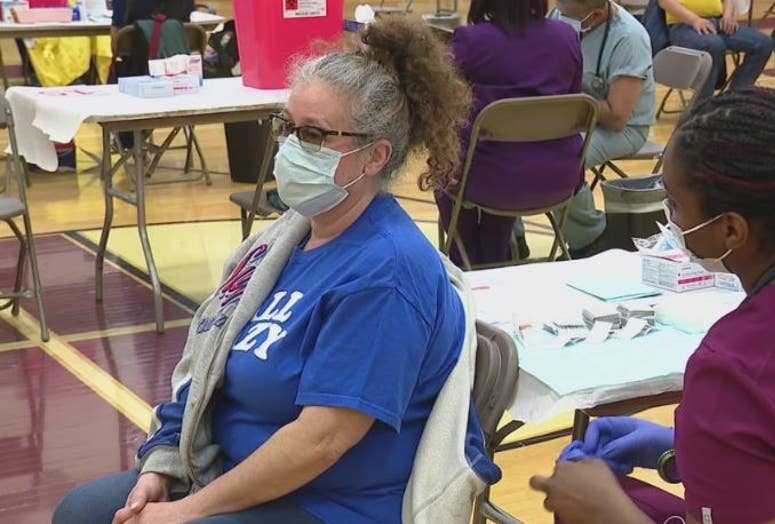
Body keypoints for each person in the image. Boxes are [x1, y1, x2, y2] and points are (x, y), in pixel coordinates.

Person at [52, 18, 497, 524]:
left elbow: (320, 442)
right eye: (286, 127)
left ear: (375, 156)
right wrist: (164, 462)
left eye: (311, 135)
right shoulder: (284, 240)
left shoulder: (387, 273)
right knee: (80, 512)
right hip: (235, 469)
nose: (288, 146)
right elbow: (208, 369)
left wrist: (187, 512)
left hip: (328, 504)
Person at [530, 87, 775, 523]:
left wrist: (605, 511)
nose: (671, 220)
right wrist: (689, 448)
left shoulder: (735, 372)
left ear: (731, 231)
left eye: (675, 205)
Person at [435, 0, 584, 267]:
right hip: (559, 178)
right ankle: (493, 254)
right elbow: (573, 103)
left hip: (487, 179)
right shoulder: (566, 37)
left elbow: (441, 102)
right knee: (508, 153)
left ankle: (467, 260)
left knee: (446, 165)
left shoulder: (470, 41)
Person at [538, 0, 657, 259]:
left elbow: (617, 116)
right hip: (572, 119)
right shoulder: (562, 11)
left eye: (570, 15)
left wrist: (562, 104)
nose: (561, 17)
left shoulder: (629, 38)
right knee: (513, 144)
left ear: (596, 13)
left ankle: (591, 239)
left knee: (562, 159)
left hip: (623, 129)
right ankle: (512, 238)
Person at [661, 0, 773, 99]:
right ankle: (703, 105)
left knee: (763, 43)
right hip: (684, 25)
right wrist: (695, 20)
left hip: (717, 21)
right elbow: (665, 2)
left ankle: (736, 97)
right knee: (714, 45)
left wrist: (728, 15)